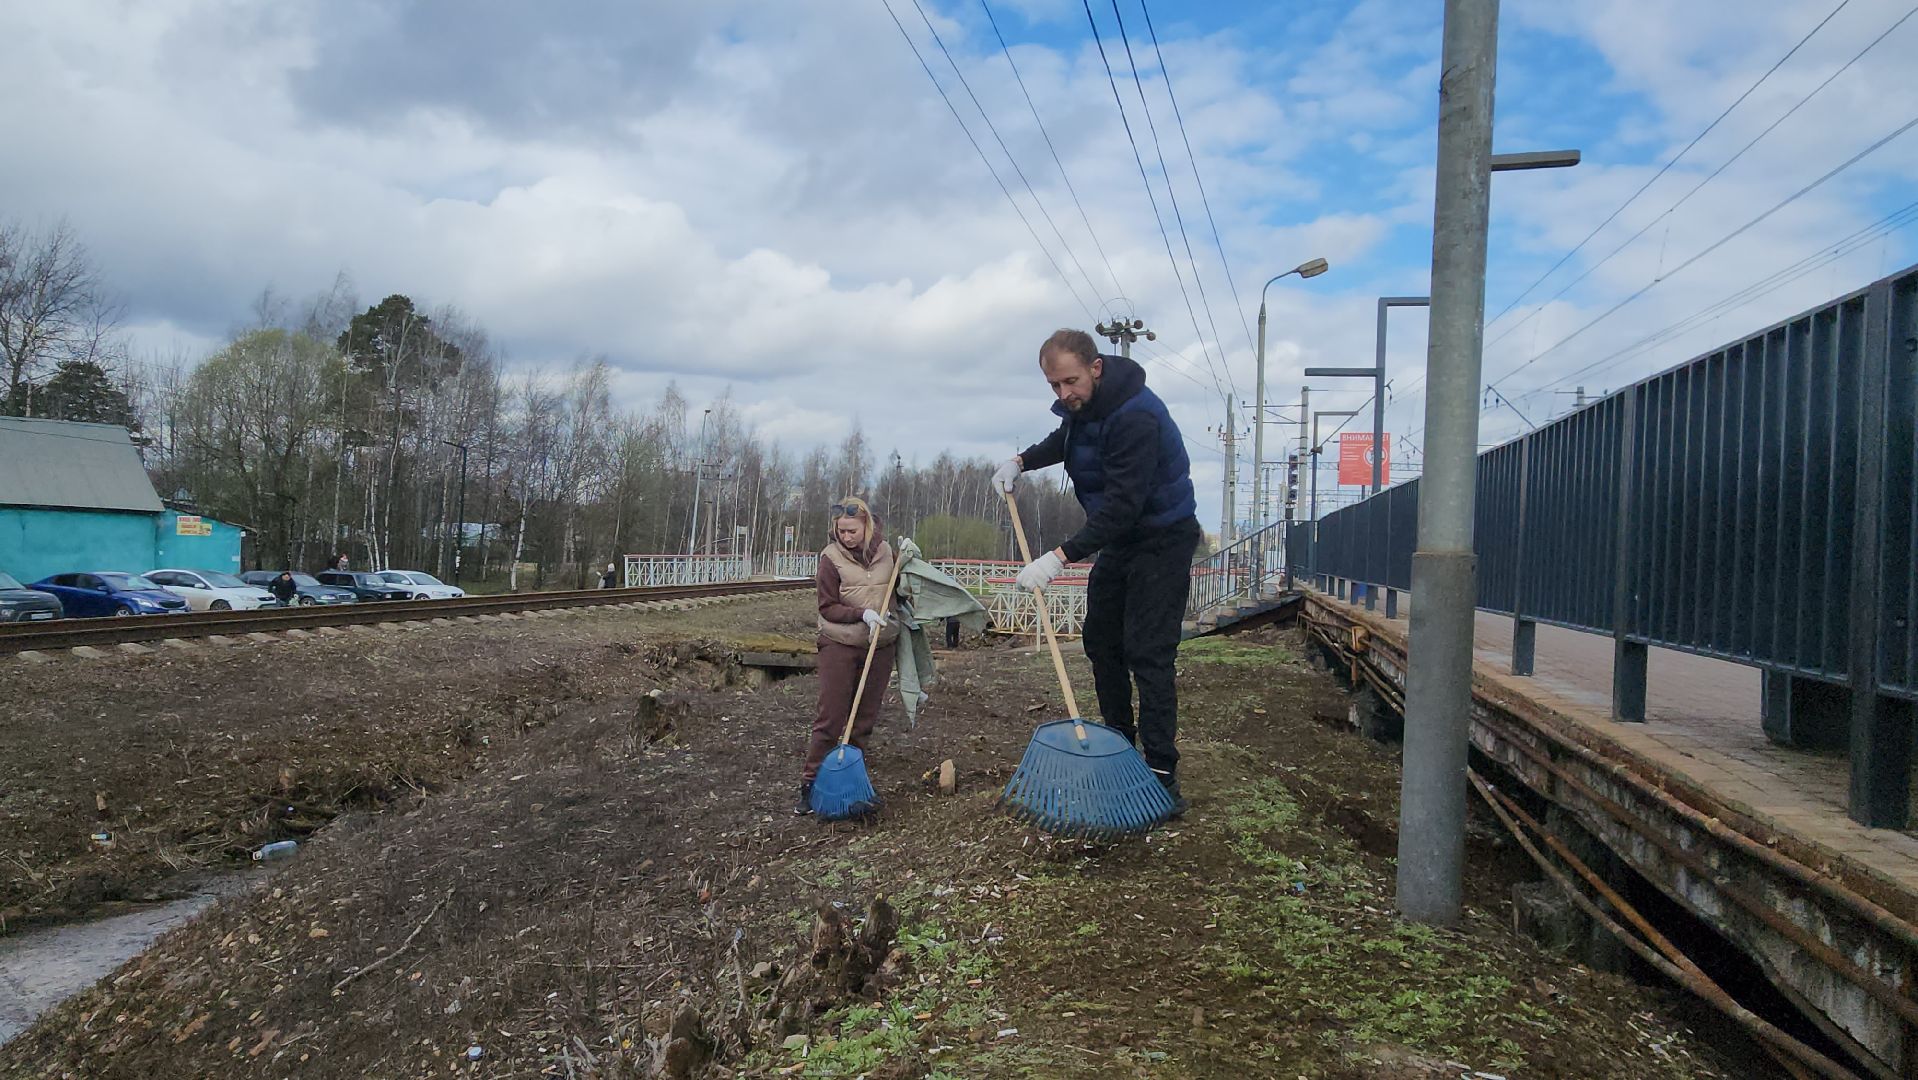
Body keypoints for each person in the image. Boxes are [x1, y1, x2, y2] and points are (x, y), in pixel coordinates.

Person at [995, 328, 1201, 811]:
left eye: (1070, 381)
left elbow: (1122, 508)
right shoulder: (1083, 409)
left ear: (1096, 368)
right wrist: (1021, 462)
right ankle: (1120, 748)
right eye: (1054, 387)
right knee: (1102, 642)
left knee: (1148, 652)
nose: (1064, 394)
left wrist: (1058, 557)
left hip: (1162, 537)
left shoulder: (1137, 417)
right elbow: (1067, 440)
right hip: (1124, 540)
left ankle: (1160, 772)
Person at [799, 497, 900, 815]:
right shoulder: (830, 559)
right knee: (831, 717)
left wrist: (910, 564)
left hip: (879, 647)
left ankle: (851, 786)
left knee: (863, 719)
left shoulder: (888, 554)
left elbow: (902, 593)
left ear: (867, 525)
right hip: (839, 644)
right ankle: (810, 786)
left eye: (852, 530)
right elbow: (826, 606)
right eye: (841, 531)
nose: (846, 537)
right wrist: (862, 613)